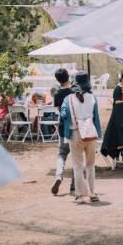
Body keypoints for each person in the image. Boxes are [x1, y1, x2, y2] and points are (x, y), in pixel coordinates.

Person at [60, 72, 102, 203]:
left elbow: (63, 115)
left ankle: (80, 195)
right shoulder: (92, 98)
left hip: (75, 134)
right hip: (91, 134)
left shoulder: (68, 99)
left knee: (77, 166)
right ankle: (92, 193)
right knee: (90, 165)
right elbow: (96, 118)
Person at [51, 68, 74, 196]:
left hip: (62, 126)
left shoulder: (57, 93)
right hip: (75, 127)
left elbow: (60, 110)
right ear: (68, 76)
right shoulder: (74, 92)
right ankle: (74, 186)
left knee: (62, 153)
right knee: (77, 157)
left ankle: (59, 176)